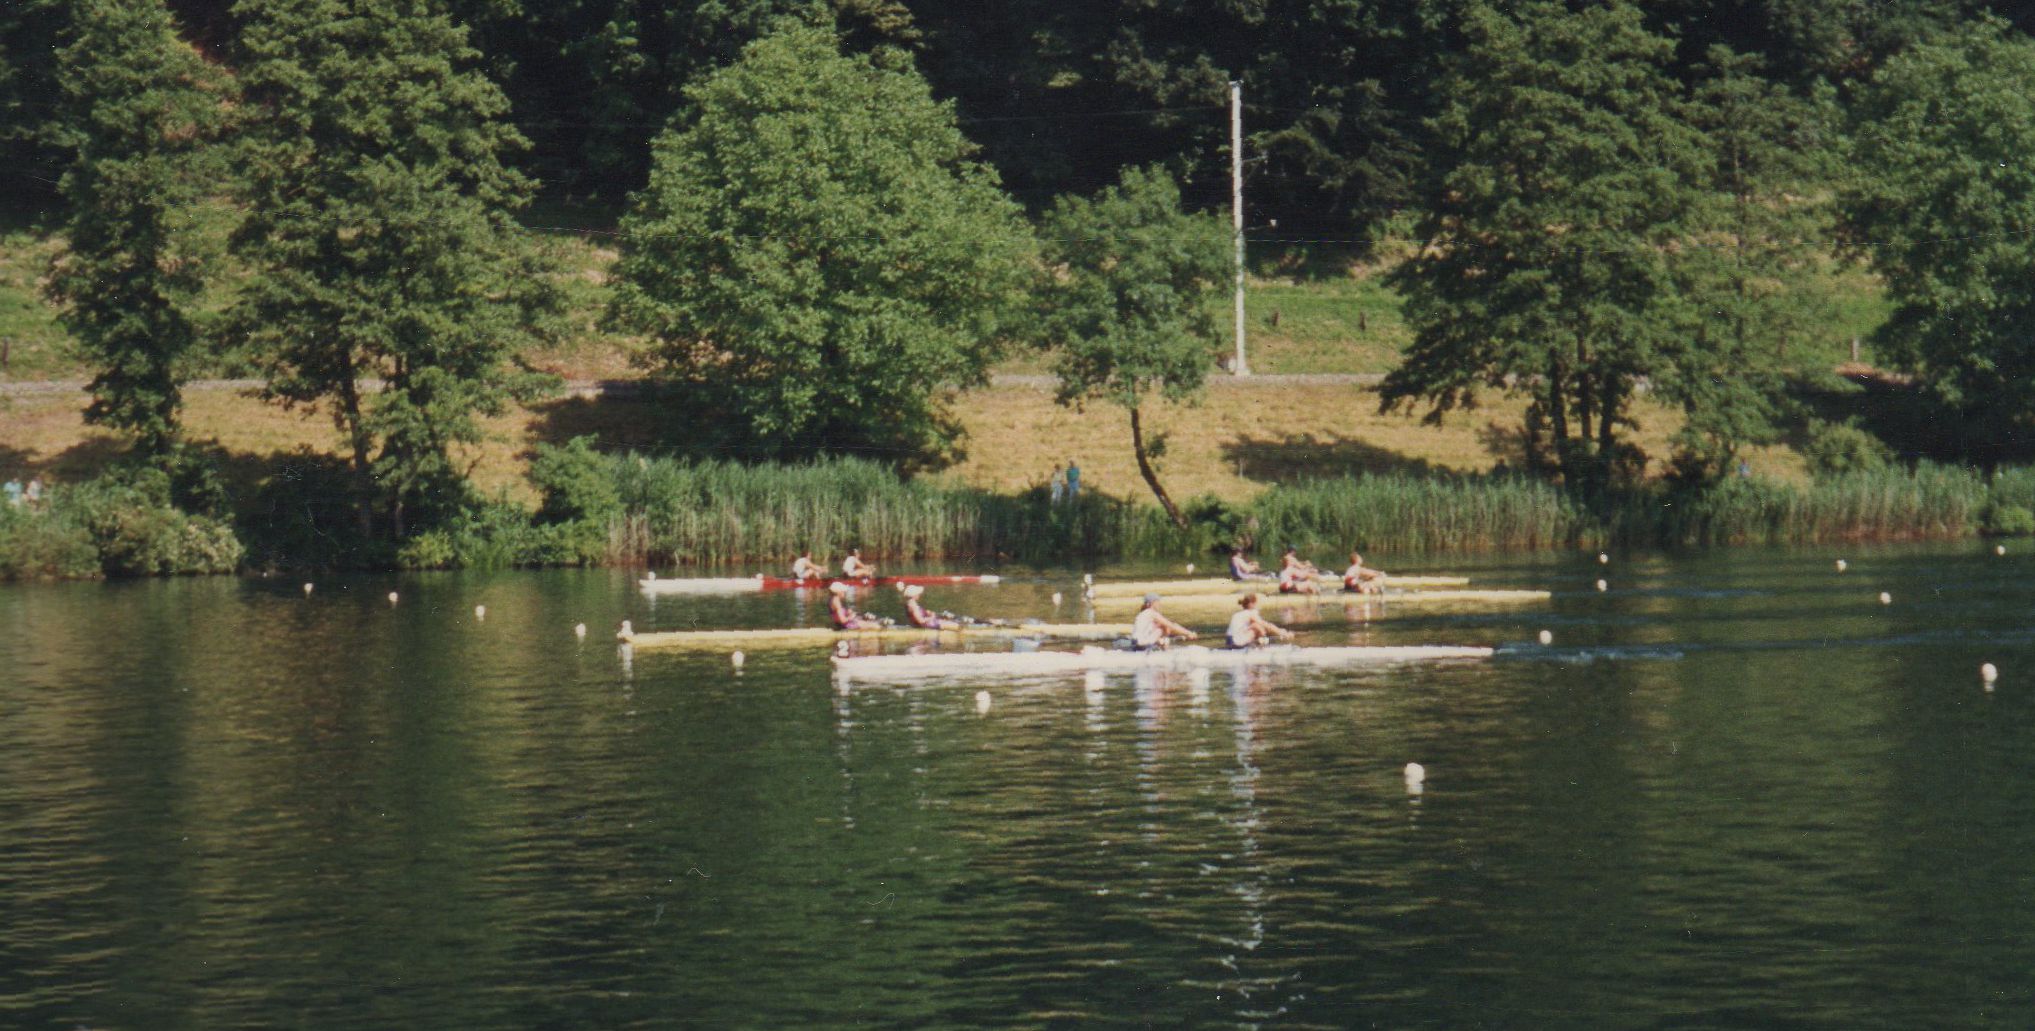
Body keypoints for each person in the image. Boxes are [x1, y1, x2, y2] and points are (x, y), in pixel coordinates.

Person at [1130, 593, 1196, 651]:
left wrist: (1182, 635)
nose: (1159, 604)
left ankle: (1163, 644)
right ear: (1151, 604)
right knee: (1163, 628)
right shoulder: (1151, 613)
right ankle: (1165, 649)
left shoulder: (1145, 613)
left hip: (1136, 643)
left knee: (1161, 628)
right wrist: (1188, 633)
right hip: (1141, 644)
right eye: (1157, 602)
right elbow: (1172, 625)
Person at [1227, 594, 1292, 649]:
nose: (1257, 606)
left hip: (1229, 641)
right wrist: (1282, 633)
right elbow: (1265, 625)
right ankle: (1263, 647)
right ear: (1251, 604)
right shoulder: (1250, 613)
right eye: (1256, 604)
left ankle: (1260, 644)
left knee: (1255, 626)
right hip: (1236, 642)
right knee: (1258, 627)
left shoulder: (1238, 614)